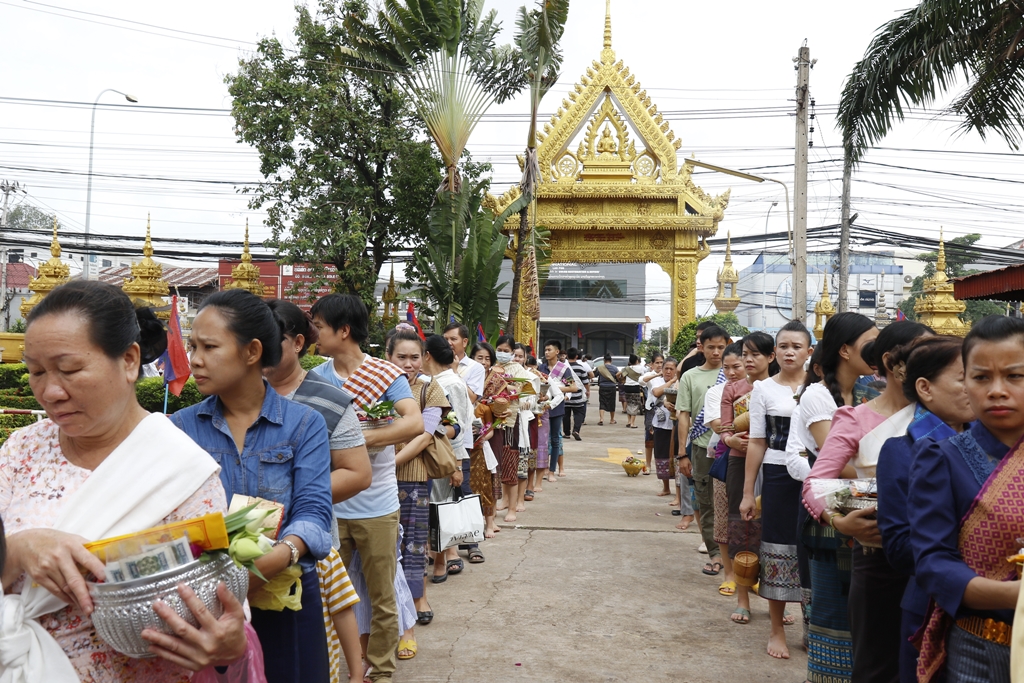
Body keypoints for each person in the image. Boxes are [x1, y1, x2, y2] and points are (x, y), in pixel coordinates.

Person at [0, 281, 248, 683]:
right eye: (35, 372)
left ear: (130, 361)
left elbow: (218, 607)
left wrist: (226, 642)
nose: (50, 391)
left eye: (69, 370)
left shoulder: (181, 473)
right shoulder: (22, 450)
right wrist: (19, 549)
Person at [171, 289, 335, 683]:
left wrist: (280, 556)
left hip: (284, 595)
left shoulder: (303, 424)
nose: (194, 359)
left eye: (209, 346)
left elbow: (314, 510)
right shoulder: (179, 429)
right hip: (208, 604)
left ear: (252, 351)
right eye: (193, 346)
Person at [803, 320, 931, 681]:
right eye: (925, 353)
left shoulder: (951, 416)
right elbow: (817, 482)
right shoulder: (856, 418)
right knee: (878, 665)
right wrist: (837, 520)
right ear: (893, 363)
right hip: (879, 559)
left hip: (939, 557)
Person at [307, 294, 424, 683]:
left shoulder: (384, 374)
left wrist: (357, 440)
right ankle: (337, 666)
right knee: (327, 594)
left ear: (343, 331)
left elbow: (413, 424)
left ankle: (382, 672)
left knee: (382, 595)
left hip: (377, 503)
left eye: (319, 326)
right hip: (331, 500)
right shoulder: (316, 377)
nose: (313, 333)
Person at [909, 316, 1024, 683]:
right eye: (980, 377)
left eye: (1014, 376)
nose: (996, 390)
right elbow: (933, 562)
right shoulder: (942, 458)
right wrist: (1011, 596)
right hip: (981, 648)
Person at [263, 298, 371, 678]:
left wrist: (291, 496)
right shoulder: (235, 396)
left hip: (306, 538)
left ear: (296, 343)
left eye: (268, 341)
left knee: (316, 628)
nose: (257, 351)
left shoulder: (330, 400)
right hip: (248, 544)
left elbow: (357, 473)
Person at [785, 312, 877, 683]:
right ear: (845, 349)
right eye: (870, 342)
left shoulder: (874, 390)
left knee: (867, 620)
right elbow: (836, 463)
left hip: (871, 510)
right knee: (834, 616)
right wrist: (895, 475)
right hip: (833, 517)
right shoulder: (818, 397)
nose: (878, 349)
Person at [875, 336, 973, 683]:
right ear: (925, 388)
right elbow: (900, 548)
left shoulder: (1002, 447)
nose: (978, 389)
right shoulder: (901, 451)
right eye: (967, 377)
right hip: (931, 607)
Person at [740, 321, 812, 660]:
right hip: (778, 472)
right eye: (783, 345)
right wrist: (746, 493)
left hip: (817, 474)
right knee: (777, 548)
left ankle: (814, 622)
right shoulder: (764, 390)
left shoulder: (821, 389)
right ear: (775, 352)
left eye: (796, 346)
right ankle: (777, 628)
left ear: (809, 352)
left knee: (813, 547)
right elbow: (756, 441)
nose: (789, 351)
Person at [382, 326, 451, 647]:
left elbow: (424, 434)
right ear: (388, 356)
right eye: (401, 357)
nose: (408, 364)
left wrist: (389, 463)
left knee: (413, 545)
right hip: (374, 484)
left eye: (414, 357)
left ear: (424, 359)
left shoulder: (430, 389)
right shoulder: (374, 385)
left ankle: (416, 601)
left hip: (412, 478)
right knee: (383, 550)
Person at [720, 331, 778, 626]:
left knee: (774, 532)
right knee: (741, 527)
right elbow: (725, 428)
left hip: (776, 465)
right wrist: (731, 441)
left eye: (755, 354)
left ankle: (776, 600)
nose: (748, 360)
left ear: (770, 357)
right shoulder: (734, 388)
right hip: (740, 461)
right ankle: (743, 599)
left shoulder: (783, 388)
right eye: (745, 354)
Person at [423, 334, 479, 571]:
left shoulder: (452, 383)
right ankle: (437, 556)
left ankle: (441, 561)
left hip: (445, 456)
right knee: (431, 506)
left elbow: (460, 425)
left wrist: (455, 466)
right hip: (427, 453)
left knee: (441, 507)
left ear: (427, 355)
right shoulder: (428, 380)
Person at [677, 325, 729, 576]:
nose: (716, 352)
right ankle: (715, 554)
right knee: (706, 503)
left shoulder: (737, 373)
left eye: (721, 347)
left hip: (732, 447)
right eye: (711, 347)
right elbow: (684, 416)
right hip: (700, 447)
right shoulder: (690, 376)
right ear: (702, 347)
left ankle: (736, 555)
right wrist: (682, 453)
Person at [705, 342, 746, 597]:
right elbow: (719, 426)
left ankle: (750, 572)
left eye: (737, 366)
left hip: (758, 458)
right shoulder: (717, 392)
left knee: (753, 521)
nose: (731, 372)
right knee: (724, 520)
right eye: (727, 367)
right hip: (726, 458)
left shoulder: (761, 389)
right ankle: (729, 574)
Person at [470, 342, 502, 537]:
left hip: (481, 448)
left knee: (486, 485)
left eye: (487, 358)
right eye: (479, 357)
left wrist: (482, 437)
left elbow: (491, 428)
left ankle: (490, 523)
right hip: (463, 449)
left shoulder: (483, 408)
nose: (483, 362)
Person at [539, 340, 579, 478]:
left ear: (557, 352)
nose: (546, 352)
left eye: (549, 350)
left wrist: (555, 389)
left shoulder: (563, 369)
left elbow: (573, 387)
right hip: (542, 407)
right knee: (543, 440)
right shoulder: (541, 368)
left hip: (557, 408)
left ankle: (552, 471)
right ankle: (542, 468)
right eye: (545, 350)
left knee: (555, 439)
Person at [649, 357, 680, 497]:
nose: (668, 371)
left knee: (676, 457)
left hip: (677, 425)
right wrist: (672, 381)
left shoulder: (682, 383)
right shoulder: (656, 381)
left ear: (676, 370)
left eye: (671, 369)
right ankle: (666, 487)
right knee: (661, 456)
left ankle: (678, 491)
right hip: (660, 425)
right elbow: (656, 393)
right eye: (666, 368)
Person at [443, 323, 484, 402]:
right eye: (445, 339)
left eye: (453, 339)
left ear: (464, 342)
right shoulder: (436, 363)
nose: (448, 343)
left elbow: (471, 399)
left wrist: (455, 372)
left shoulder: (476, 368)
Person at [642, 354, 665, 472]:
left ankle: (660, 465)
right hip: (652, 410)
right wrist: (657, 375)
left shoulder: (668, 375)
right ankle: (648, 464)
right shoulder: (650, 375)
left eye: (662, 362)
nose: (660, 365)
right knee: (649, 438)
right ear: (651, 364)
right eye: (657, 362)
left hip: (665, 410)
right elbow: (641, 381)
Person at [563, 348, 590, 441]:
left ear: (566, 355)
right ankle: (576, 430)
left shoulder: (563, 367)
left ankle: (566, 433)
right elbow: (585, 382)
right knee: (579, 414)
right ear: (577, 356)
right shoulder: (581, 368)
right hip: (577, 396)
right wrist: (588, 391)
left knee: (566, 415)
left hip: (566, 395)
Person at [622, 353, 648, 430]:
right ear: (637, 361)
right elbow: (643, 377)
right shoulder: (641, 368)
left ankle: (629, 421)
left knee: (629, 403)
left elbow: (621, 376)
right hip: (635, 387)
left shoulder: (626, 368)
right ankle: (632, 423)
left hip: (627, 387)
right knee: (635, 404)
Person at [596, 354, 620, 425]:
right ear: (611, 360)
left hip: (602, 386)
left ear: (604, 360)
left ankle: (601, 419)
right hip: (612, 387)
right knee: (612, 403)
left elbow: (594, 375)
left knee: (602, 402)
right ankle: (612, 419)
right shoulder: (615, 368)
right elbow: (618, 377)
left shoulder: (599, 368)